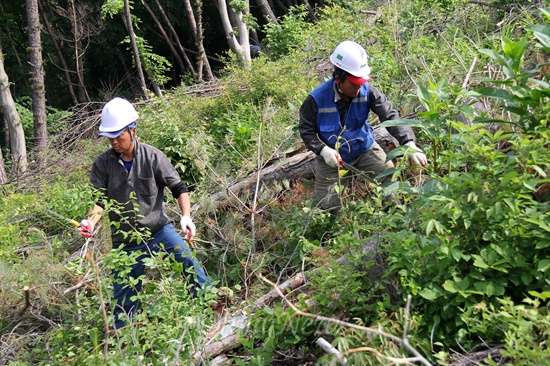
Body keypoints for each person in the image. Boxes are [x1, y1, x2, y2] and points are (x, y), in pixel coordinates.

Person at [78, 97, 211, 330]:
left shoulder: (153, 156)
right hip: (125, 241)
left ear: (133, 130)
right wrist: (90, 223)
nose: (115, 142)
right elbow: (99, 202)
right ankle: (125, 343)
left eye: (119, 136)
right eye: (110, 138)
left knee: (190, 265)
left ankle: (212, 312)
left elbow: (179, 188)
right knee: (122, 302)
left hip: (159, 229)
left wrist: (186, 216)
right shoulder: (102, 165)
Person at [299, 40, 428, 212]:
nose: (359, 88)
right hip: (332, 157)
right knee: (326, 207)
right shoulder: (316, 99)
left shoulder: (368, 91)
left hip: (364, 147)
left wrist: (408, 142)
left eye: (361, 83)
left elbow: (389, 115)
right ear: (338, 79)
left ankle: (396, 219)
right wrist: (322, 150)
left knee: (388, 176)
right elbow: (306, 130)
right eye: (354, 84)